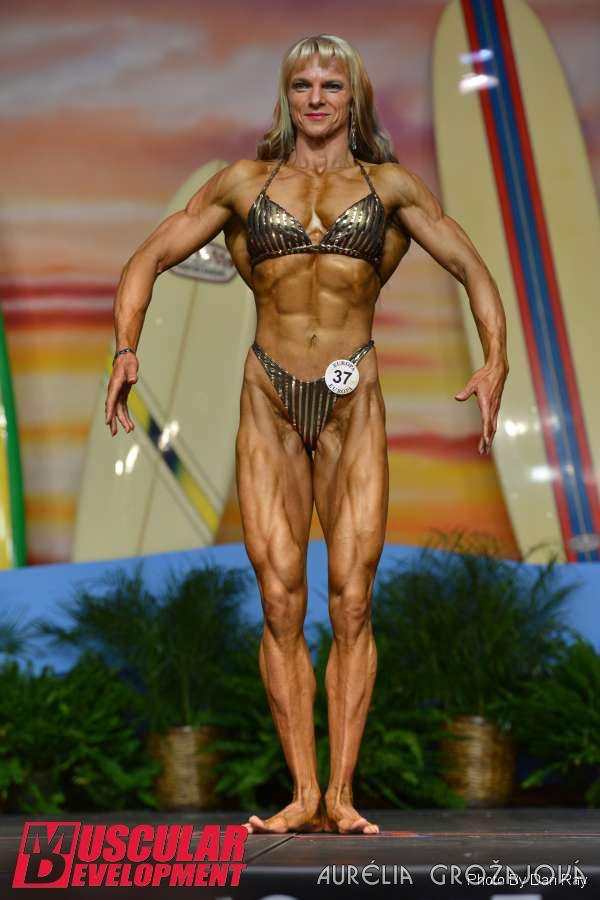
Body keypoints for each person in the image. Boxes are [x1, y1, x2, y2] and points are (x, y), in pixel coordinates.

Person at [105, 33, 509, 835]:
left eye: (331, 85)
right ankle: (301, 794)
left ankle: (342, 796)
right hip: (271, 398)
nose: (316, 98)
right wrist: (126, 347)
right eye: (303, 85)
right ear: (286, 96)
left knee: (353, 602)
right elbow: (149, 255)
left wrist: (496, 359)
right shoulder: (244, 184)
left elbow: (472, 267)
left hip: (354, 403)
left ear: (353, 95)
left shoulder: (390, 188)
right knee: (280, 598)